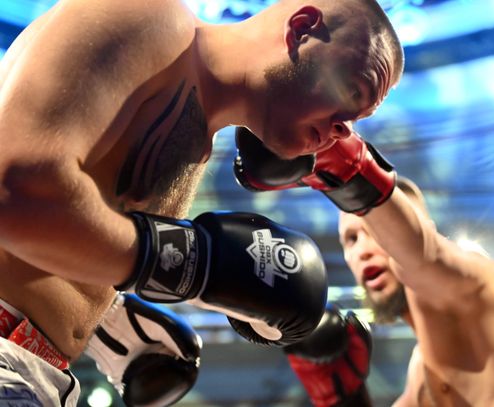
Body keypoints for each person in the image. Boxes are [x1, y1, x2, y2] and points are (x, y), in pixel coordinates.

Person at [0, 0, 404, 403]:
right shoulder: (151, 17)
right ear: (301, 28)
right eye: (354, 89)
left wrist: (115, 325)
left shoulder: (196, 140)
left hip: (42, 374)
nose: (344, 130)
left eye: (357, 118)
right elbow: (12, 188)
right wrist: (200, 270)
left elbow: (55, 241)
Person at [232, 128, 494, 405]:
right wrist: (343, 397)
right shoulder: (423, 378)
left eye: (373, 232)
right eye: (351, 239)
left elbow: (423, 255)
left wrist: (340, 166)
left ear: (424, 227)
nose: (363, 250)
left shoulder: (481, 286)